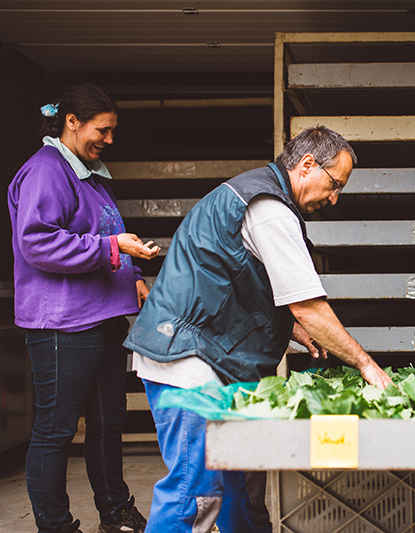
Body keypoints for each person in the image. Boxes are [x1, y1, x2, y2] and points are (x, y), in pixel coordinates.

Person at [123, 126, 393, 532]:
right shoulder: (268, 207)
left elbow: (230, 278)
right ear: (306, 165)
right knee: (196, 491)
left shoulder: (256, 196)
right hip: (188, 360)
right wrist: (365, 365)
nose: (334, 197)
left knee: (240, 486)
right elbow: (307, 304)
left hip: (208, 356)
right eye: (335, 184)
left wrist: (287, 328)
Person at [8, 84, 159, 533]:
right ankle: (55, 526)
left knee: (108, 423)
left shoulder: (87, 174)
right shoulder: (45, 171)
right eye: (103, 130)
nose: (109, 139)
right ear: (71, 122)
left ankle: (115, 513)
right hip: (63, 323)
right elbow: (37, 242)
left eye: (112, 131)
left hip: (100, 317)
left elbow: (103, 232)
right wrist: (113, 247)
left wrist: (131, 275)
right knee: (55, 431)